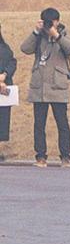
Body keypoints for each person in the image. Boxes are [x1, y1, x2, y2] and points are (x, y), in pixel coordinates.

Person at [25, 7, 70, 167]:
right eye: (46, 22)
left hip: (57, 86)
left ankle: (66, 157)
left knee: (62, 123)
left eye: (51, 22)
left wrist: (57, 35)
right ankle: (41, 157)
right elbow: (25, 49)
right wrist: (35, 31)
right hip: (39, 86)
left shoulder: (63, 35)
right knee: (39, 124)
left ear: (57, 21)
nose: (49, 25)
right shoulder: (39, 36)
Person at [0, 21, 16, 159]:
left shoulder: (4, 48)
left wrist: (4, 75)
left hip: (3, 90)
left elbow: (12, 61)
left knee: (2, 119)